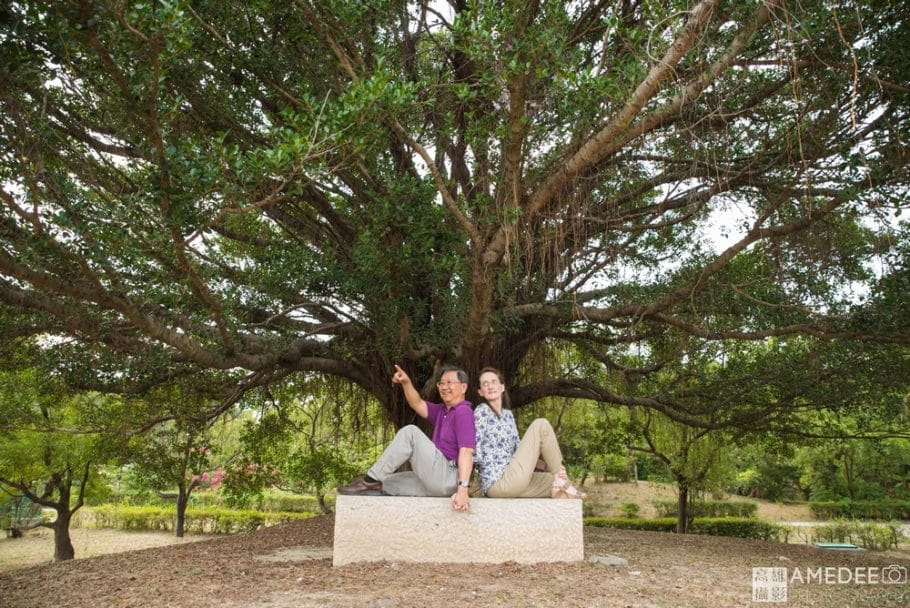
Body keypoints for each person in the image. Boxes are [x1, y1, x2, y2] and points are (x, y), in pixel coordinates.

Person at [336, 364, 476, 511]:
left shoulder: (463, 412)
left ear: (463, 387)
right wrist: (406, 382)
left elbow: (467, 451)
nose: (444, 387)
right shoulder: (443, 411)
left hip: (448, 476)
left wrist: (463, 489)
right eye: (441, 383)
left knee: (410, 432)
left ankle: (370, 480)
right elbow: (417, 403)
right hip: (435, 482)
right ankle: (373, 483)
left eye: (450, 382)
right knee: (386, 482)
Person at [473, 367, 585, 499]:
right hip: (498, 481)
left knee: (553, 481)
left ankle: (560, 482)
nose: (490, 386)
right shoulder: (481, 411)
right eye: (485, 384)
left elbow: (521, 453)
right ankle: (560, 478)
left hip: (514, 479)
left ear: (502, 387)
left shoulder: (507, 416)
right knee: (540, 425)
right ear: (480, 392)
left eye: (493, 382)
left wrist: (550, 467)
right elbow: (473, 451)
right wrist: (464, 487)